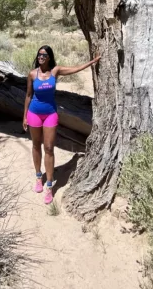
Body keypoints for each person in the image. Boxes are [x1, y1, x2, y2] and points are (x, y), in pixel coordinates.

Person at [23, 44, 100, 204]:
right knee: (36, 145)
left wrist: (92, 61)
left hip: (50, 114)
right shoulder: (32, 74)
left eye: (44, 55)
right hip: (34, 113)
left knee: (49, 148)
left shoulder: (55, 71)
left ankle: (50, 186)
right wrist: (24, 116)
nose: (41, 57)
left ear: (49, 57)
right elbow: (29, 95)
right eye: (39, 54)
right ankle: (39, 177)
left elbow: (75, 69)